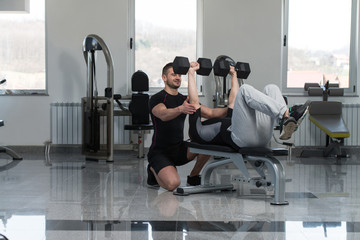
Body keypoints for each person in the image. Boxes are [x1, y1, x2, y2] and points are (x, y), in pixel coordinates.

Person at [187, 61, 311, 149]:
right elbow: (194, 102)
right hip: (240, 139)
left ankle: (284, 119)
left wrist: (234, 75)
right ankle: (286, 113)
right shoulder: (196, 130)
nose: (199, 107)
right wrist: (191, 73)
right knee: (245, 89)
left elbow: (233, 101)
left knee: (271, 88)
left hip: (259, 137)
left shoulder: (221, 117)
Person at [147, 62, 228, 191]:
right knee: (173, 184)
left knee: (206, 142)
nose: (178, 77)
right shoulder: (157, 98)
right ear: (164, 78)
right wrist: (180, 109)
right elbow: (163, 114)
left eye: (179, 74)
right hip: (160, 152)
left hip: (179, 149)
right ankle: (152, 168)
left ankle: (193, 176)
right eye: (173, 74)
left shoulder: (184, 99)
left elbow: (211, 113)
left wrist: (231, 110)